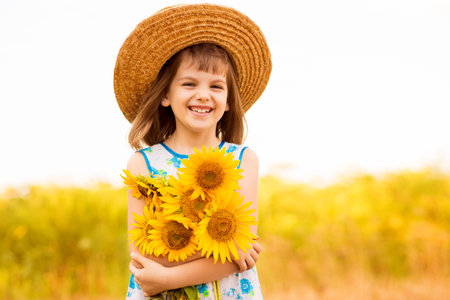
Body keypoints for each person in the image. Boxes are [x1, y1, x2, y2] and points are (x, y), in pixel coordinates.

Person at [113, 4, 271, 300]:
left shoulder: (243, 160)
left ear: (228, 102)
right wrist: (223, 243)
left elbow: (243, 245)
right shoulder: (143, 166)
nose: (203, 94)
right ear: (164, 95)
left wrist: (167, 276)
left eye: (216, 86)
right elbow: (142, 258)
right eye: (189, 83)